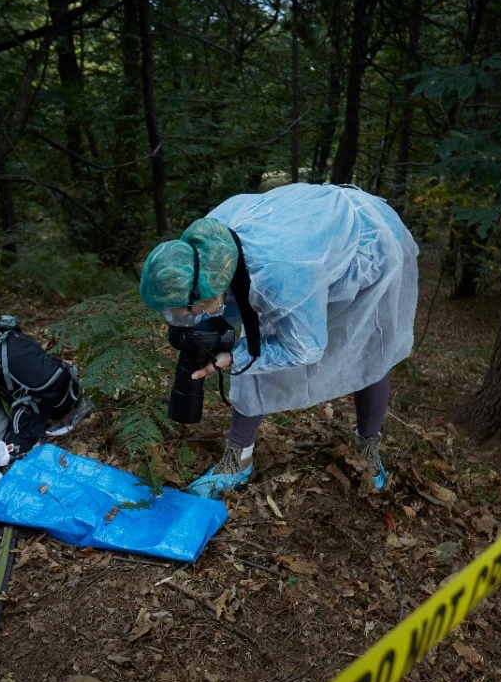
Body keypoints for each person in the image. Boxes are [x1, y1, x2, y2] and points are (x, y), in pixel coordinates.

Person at [139, 182, 419, 498]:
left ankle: (368, 447)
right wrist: (198, 335)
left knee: (368, 348)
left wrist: (234, 357)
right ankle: (238, 458)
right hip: (309, 236)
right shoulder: (203, 247)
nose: (182, 319)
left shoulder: (279, 280)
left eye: (183, 311)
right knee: (254, 344)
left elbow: (306, 348)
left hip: (372, 248)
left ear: (206, 290)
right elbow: (221, 300)